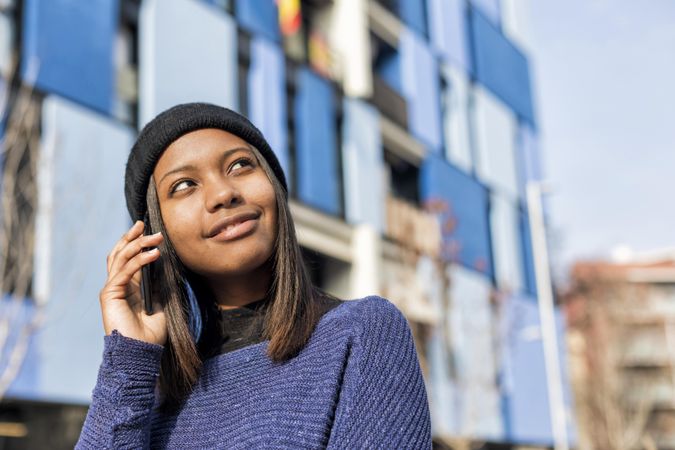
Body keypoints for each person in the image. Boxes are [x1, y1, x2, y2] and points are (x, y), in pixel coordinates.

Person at [76, 103, 432, 449]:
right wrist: (129, 357)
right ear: (155, 231)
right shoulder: (142, 395)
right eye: (184, 185)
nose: (223, 194)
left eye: (240, 165)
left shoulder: (361, 332)